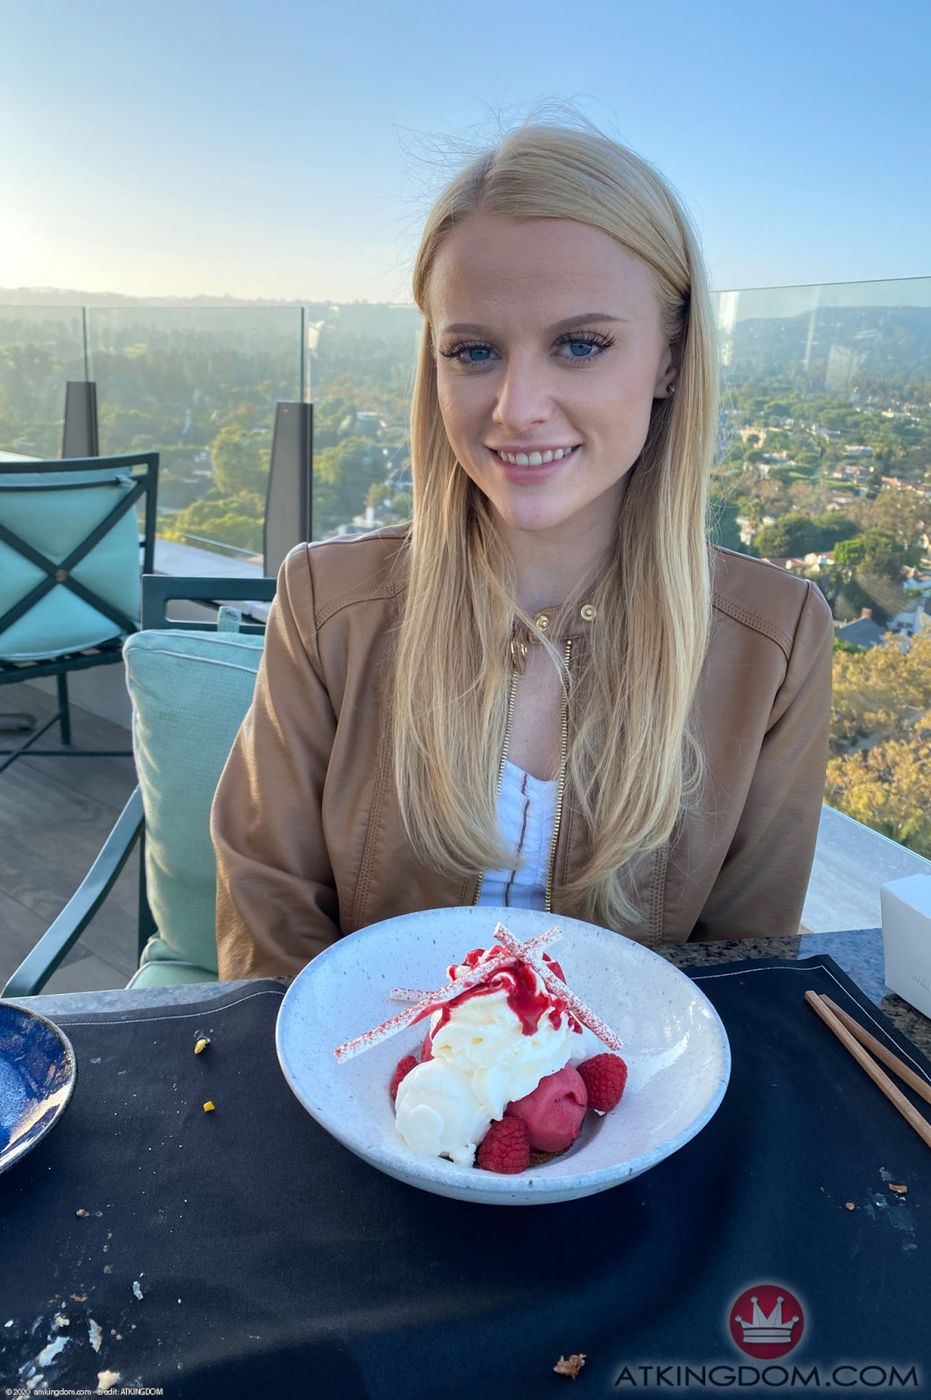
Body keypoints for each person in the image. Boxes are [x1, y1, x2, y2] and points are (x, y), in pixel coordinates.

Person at [211, 120, 833, 980]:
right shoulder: (327, 602)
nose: (516, 407)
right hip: (357, 1058)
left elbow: (743, 970)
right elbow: (267, 925)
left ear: (670, 359)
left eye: (579, 345)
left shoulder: (776, 637)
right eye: (474, 351)